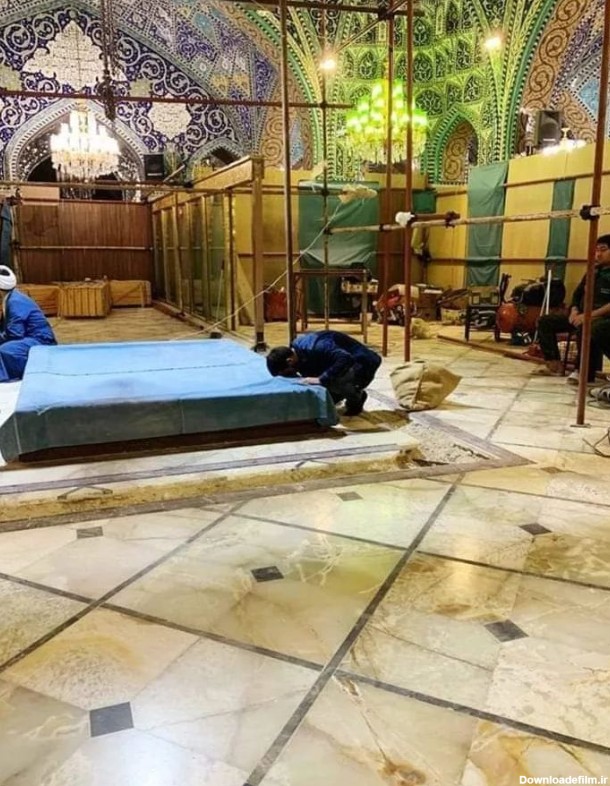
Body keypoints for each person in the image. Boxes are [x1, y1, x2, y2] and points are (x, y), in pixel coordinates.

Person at [537, 235, 610, 383]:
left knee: (587, 327)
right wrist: (574, 311)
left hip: (602, 318)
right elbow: (577, 294)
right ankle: (554, 365)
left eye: (603, 250)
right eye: (596, 250)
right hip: (582, 315)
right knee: (545, 321)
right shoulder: (593, 271)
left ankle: (583, 371)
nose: (598, 254)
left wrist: (588, 316)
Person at [266, 330, 382, 416]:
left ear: (289, 361)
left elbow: (345, 359)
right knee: (324, 395)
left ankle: (356, 398)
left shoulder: (317, 346)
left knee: (333, 382)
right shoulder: (298, 352)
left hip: (363, 364)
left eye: (288, 373)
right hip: (343, 363)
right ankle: (341, 393)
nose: (292, 375)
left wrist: (321, 379)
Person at [0, 265, 57, 382]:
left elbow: (16, 333)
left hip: (40, 340)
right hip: (28, 338)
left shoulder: (15, 301)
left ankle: (29, 373)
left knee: (5, 350)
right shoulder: (10, 298)